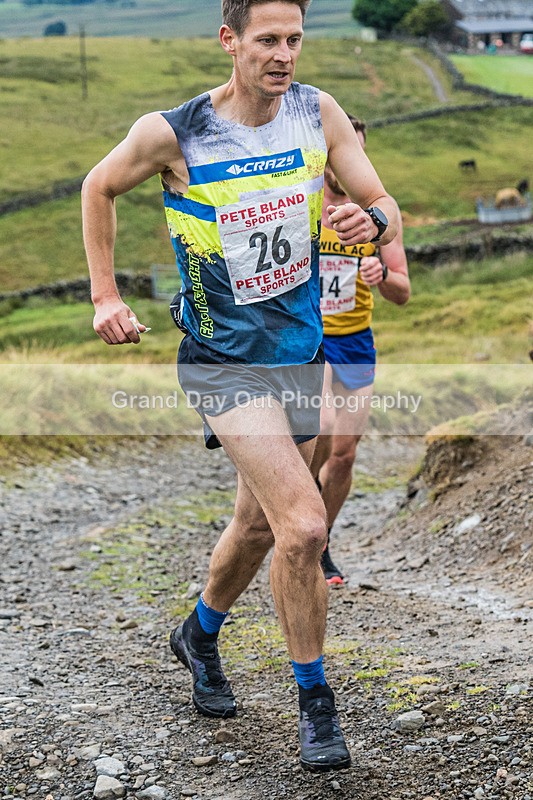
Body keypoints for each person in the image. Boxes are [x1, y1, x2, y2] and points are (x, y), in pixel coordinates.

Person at [82, 0, 399, 773]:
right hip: (222, 362)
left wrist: (374, 223)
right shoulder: (175, 130)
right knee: (302, 525)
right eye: (267, 40)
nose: (283, 53)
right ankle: (315, 703)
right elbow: (98, 187)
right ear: (229, 41)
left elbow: (381, 202)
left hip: (297, 352)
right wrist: (105, 296)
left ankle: (197, 633)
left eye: (294, 39)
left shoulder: (317, 113)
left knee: (257, 527)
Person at [311, 115, 410, 586]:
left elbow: (404, 290)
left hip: (356, 341)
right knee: (323, 428)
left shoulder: (379, 218)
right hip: (309, 339)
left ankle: (321, 542)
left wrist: (382, 276)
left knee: (345, 455)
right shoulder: (305, 207)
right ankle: (301, 514)